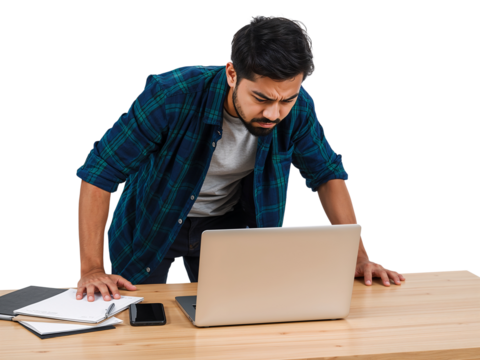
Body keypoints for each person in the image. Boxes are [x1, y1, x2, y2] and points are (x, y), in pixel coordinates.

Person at [75, 13, 405, 302]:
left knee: (235, 320)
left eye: (286, 99)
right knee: (139, 319)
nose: (273, 113)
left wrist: (359, 258)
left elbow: (327, 175)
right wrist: (91, 268)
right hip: (153, 219)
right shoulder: (172, 94)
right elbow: (100, 172)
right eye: (260, 98)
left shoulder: (299, 108)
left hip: (228, 227)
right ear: (232, 74)